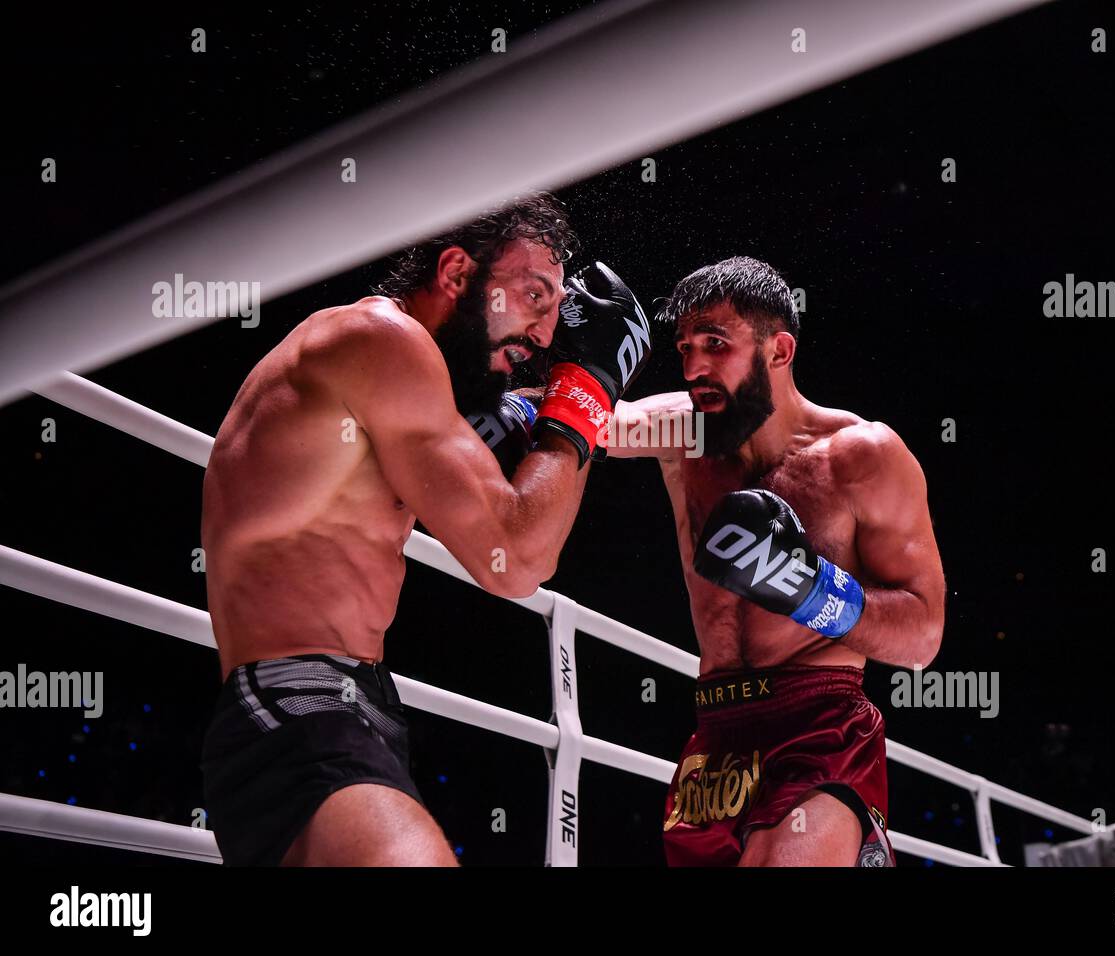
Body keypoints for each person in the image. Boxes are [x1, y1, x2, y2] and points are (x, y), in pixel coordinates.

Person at [199, 194, 650, 865]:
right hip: (298, 699)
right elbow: (516, 559)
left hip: (353, 699)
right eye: (534, 295)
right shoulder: (381, 341)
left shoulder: (402, 378)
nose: (547, 334)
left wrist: (717, 425)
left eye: (556, 308)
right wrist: (586, 385)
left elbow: (586, 425)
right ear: (457, 273)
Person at [608, 256, 945, 866]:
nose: (693, 367)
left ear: (779, 351)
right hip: (713, 739)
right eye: (684, 347)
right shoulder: (688, 437)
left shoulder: (860, 455)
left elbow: (924, 636)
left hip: (817, 723)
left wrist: (812, 590)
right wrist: (569, 370)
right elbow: (602, 424)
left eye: (716, 343)